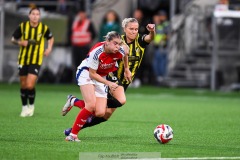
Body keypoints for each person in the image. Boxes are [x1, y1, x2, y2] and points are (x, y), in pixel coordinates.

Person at [62, 18, 155, 135]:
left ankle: (75, 108)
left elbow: (150, 38)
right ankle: (75, 130)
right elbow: (104, 56)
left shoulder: (139, 41)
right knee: (119, 101)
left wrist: (152, 31)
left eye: (136, 29)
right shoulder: (117, 42)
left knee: (105, 115)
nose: (134, 31)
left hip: (124, 81)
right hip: (111, 76)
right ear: (125, 29)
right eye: (131, 29)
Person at [63, 31, 131, 141]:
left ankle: (73, 101)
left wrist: (126, 69)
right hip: (87, 73)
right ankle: (73, 135)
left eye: (119, 44)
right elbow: (92, 74)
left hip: (101, 76)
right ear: (107, 42)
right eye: (115, 43)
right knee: (90, 105)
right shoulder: (97, 52)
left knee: (100, 113)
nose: (117, 46)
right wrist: (108, 83)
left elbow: (126, 53)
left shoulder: (120, 50)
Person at [11, 7, 54, 117]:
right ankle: (24, 107)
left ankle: (32, 106)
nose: (35, 16)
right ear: (29, 15)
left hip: (36, 60)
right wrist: (20, 42)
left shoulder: (43, 28)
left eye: (37, 14)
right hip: (23, 59)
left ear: (39, 16)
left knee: (30, 85)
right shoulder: (23, 26)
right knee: (23, 84)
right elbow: (13, 39)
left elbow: (50, 38)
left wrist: (49, 48)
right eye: (33, 14)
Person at [71, 10, 96, 78]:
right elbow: (71, 32)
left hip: (84, 47)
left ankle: (84, 78)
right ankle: (77, 78)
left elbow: (94, 34)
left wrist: (88, 41)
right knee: (76, 63)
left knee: (84, 63)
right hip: (76, 47)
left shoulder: (88, 23)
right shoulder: (75, 22)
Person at [152, 11, 170, 83]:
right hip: (157, 46)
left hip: (162, 46)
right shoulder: (160, 25)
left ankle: (162, 77)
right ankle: (159, 77)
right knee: (157, 62)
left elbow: (167, 35)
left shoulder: (166, 24)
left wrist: (163, 40)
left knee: (161, 62)